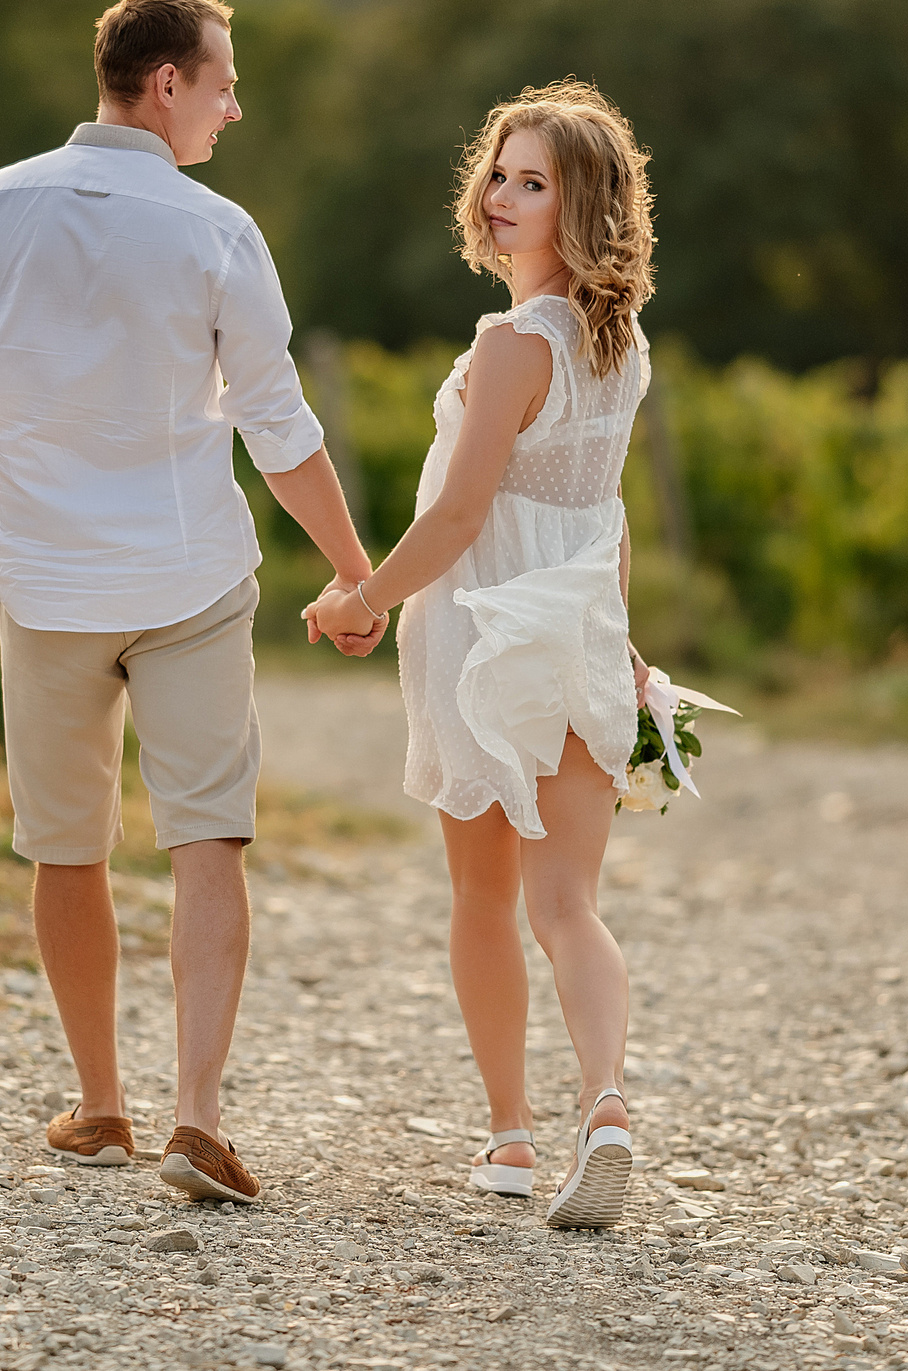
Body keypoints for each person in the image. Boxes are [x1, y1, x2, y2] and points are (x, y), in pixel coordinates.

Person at [0, 0, 384, 1205]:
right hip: (189, 579)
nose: (232, 106)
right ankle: (197, 1120)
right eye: (221, 83)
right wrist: (355, 569)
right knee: (206, 836)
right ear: (164, 83)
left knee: (69, 850)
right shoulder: (219, 230)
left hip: (46, 582)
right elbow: (276, 423)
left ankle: (101, 1105)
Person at [305, 81, 657, 1230]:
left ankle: (511, 1135)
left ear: (581, 205)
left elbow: (459, 518)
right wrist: (626, 651)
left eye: (532, 182)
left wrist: (360, 597)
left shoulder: (516, 343)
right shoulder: (625, 348)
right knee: (571, 903)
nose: (501, 196)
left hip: (482, 637)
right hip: (576, 632)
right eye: (499, 173)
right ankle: (601, 1104)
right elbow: (599, 519)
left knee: (482, 894)